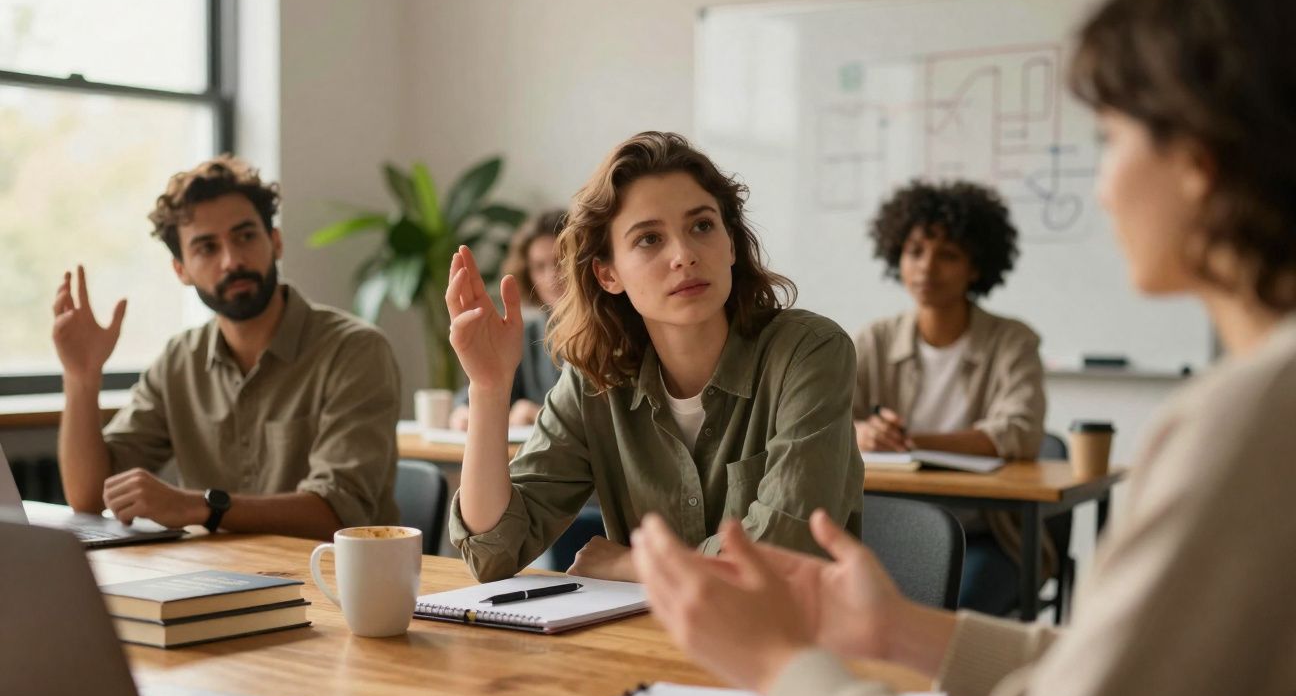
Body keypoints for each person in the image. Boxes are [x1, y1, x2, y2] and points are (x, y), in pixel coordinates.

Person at [632, 0, 1296, 696]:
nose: (1104, 190)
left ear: (1195, 164)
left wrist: (780, 666)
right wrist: (898, 628)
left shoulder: (1259, 415)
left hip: (995, 540)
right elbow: (1147, 672)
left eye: (1110, 141)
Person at [446, 131, 864, 582]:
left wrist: (634, 565)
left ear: (729, 243)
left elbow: (787, 548)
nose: (684, 255)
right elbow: (493, 552)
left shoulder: (809, 351)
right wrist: (489, 389)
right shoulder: (595, 379)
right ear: (607, 274)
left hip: (794, 645)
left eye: (702, 226)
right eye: (649, 239)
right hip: (642, 644)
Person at [53, 156, 401, 541]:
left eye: (245, 236)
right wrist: (81, 377)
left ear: (276, 241)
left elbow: (339, 512)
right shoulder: (178, 361)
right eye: (206, 248)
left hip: (334, 585)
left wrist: (199, 507)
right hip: (214, 579)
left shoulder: (354, 350)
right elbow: (87, 495)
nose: (232, 260)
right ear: (181, 271)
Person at [853, 180, 1048, 615]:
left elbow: (1018, 433)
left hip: (987, 537)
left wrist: (912, 440)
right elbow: (826, 421)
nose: (927, 268)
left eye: (948, 255)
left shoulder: (1012, 341)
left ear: (976, 267)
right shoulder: (874, 340)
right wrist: (863, 432)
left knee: (947, 618)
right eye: (915, 251)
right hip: (889, 531)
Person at [448, 209, 568, 431]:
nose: (551, 276)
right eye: (539, 266)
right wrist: (464, 410)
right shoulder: (527, 333)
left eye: (560, 261)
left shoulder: (609, 331)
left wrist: (541, 414)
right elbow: (486, 384)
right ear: (527, 273)